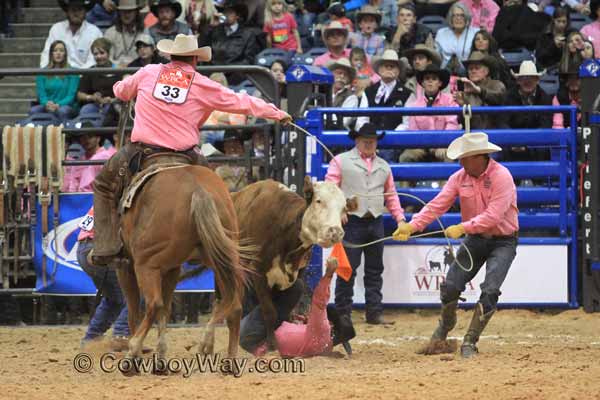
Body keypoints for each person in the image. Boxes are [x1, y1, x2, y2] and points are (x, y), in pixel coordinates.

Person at [90, 34, 291, 266]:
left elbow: (120, 92)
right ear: (195, 59)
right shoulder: (203, 84)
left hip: (142, 151)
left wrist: (121, 83)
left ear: (170, 55)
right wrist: (277, 113)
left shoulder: (148, 72)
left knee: (104, 185)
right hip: (186, 154)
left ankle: (105, 247)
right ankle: (223, 241)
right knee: (217, 193)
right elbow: (242, 101)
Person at [393, 132, 518, 358]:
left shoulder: (502, 177)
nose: (460, 162)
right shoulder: (459, 178)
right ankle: (446, 324)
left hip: (503, 240)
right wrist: (412, 226)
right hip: (476, 239)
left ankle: (470, 340)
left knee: (490, 290)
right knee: (451, 285)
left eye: (464, 157)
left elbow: (494, 216)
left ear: (479, 157)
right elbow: (436, 205)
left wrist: (463, 228)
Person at [325, 123, 406, 325]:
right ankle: (343, 313)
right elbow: (330, 189)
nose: (369, 142)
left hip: (375, 220)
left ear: (377, 141)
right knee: (347, 269)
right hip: (351, 221)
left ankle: (374, 312)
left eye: (372, 139)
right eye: (365, 139)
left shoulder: (384, 166)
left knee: (374, 269)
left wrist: (400, 219)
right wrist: (339, 211)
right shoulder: (341, 161)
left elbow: (391, 195)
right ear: (357, 140)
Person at [240, 257, 356, 357]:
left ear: (331, 325)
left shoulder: (322, 330)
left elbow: (319, 302)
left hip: (250, 333)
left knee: (296, 287)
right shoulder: (325, 347)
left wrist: (328, 274)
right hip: (255, 342)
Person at [78, 206, 130, 352]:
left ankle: (91, 340)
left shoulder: (103, 200)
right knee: (136, 294)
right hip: (101, 250)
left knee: (114, 298)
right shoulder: (122, 200)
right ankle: (121, 335)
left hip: (84, 249)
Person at [400, 65, 458, 163]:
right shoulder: (415, 105)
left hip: (443, 145)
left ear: (440, 83)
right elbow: (413, 130)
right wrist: (427, 145)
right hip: (421, 146)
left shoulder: (449, 100)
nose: (430, 81)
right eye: (427, 79)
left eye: (434, 79)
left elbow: (452, 124)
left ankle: (444, 179)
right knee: (406, 157)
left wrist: (443, 144)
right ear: (422, 83)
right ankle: (408, 179)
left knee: (449, 157)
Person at [200, 1, 261, 85]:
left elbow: (248, 59)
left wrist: (227, 69)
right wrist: (211, 27)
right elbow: (202, 50)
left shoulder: (248, 34)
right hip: (214, 75)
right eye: (225, 12)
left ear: (237, 16)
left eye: (230, 12)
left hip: (236, 76)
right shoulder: (214, 31)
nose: (226, 15)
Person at [40, 0, 102, 69]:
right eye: (73, 10)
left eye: (80, 10)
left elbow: (93, 60)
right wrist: (46, 71)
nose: (76, 13)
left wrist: (78, 76)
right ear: (67, 12)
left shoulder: (95, 32)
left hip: (85, 75)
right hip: (59, 75)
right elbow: (46, 54)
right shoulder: (56, 29)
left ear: (85, 12)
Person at [453, 51, 506, 130]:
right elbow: (464, 124)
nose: (473, 71)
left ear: (486, 71)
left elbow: (498, 97)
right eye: (470, 69)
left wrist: (479, 91)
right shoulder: (465, 92)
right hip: (473, 135)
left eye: (477, 68)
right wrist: (462, 105)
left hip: (495, 133)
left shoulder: (497, 85)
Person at [31, 40, 80, 123]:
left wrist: (58, 105)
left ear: (65, 54)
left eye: (61, 50)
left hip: (66, 105)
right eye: (55, 50)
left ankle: (65, 134)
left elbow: (71, 96)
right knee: (33, 111)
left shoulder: (73, 72)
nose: (58, 53)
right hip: (47, 105)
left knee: (62, 111)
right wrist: (47, 104)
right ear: (51, 54)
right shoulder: (42, 73)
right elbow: (42, 95)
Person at [364, 49, 411, 131]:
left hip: (396, 140)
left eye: (392, 66)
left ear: (398, 71)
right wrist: (370, 134)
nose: (389, 68)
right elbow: (362, 119)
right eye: (386, 66)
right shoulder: (368, 91)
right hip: (371, 138)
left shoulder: (407, 94)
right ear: (379, 70)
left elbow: (407, 122)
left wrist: (392, 136)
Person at [76, 38, 119, 122]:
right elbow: (80, 94)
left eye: (102, 53)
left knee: (111, 110)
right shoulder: (90, 71)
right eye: (95, 54)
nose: (98, 56)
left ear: (108, 53)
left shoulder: (119, 70)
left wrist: (113, 100)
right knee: (85, 110)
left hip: (114, 104)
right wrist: (91, 97)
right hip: (95, 104)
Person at [435, 3, 479, 73]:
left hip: (470, 73)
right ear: (450, 18)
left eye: (462, 15)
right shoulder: (441, 33)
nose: (458, 18)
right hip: (445, 73)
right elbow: (435, 57)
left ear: (467, 18)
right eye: (455, 15)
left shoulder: (476, 33)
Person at [103, 0, 148, 67]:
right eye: (123, 12)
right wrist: (117, 66)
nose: (126, 15)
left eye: (129, 11)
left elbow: (147, 57)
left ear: (136, 12)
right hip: (115, 71)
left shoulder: (144, 31)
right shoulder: (110, 32)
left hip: (138, 70)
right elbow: (107, 58)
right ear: (119, 13)